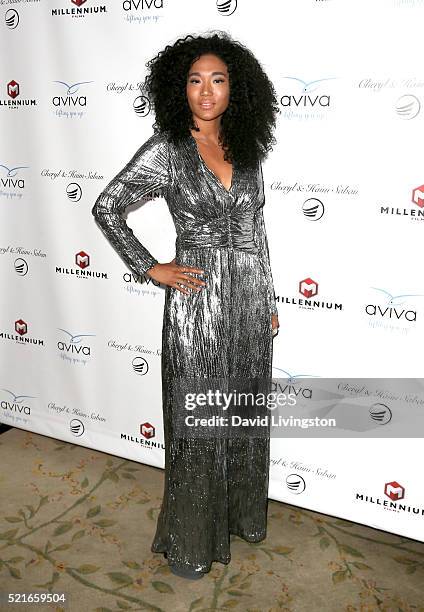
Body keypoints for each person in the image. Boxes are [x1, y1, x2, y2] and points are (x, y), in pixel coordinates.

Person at [91, 31, 280, 580]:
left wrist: (265, 294)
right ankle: (191, 541)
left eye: (217, 80)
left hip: (245, 297)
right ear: (180, 89)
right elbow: (108, 208)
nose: (206, 90)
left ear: (234, 90)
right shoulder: (166, 149)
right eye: (195, 80)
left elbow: (256, 228)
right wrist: (151, 268)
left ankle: (239, 520)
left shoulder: (246, 151)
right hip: (197, 302)